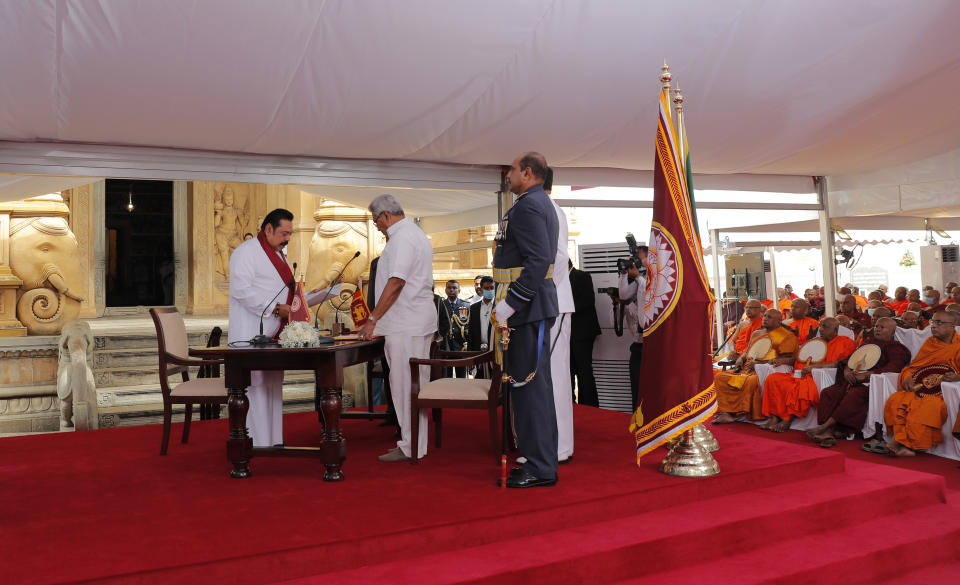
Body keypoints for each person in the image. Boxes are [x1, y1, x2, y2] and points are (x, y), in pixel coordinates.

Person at [493, 152, 559, 488]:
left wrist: (512, 303)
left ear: (528, 173)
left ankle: (541, 467)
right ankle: (540, 460)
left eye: (513, 170)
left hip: (527, 309)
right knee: (531, 389)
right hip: (528, 309)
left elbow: (538, 261)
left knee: (530, 389)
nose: (509, 175)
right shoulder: (531, 201)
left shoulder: (531, 205)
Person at [358, 194, 436, 462]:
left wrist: (373, 319)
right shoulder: (414, 234)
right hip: (413, 321)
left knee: (406, 386)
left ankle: (411, 445)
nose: (377, 227)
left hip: (407, 323)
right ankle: (415, 443)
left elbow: (396, 282)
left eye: (376, 221)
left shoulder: (402, 238)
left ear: (385, 216)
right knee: (413, 385)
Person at [227, 209, 295, 447]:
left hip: (273, 332)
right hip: (250, 332)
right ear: (268, 229)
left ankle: (273, 442)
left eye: (290, 234)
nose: (287, 239)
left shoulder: (280, 254)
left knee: (272, 386)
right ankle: (254, 444)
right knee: (254, 388)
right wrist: (277, 309)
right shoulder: (246, 252)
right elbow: (241, 290)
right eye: (283, 233)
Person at [810, 317, 910, 447]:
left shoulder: (897, 348)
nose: (877, 329)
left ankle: (826, 427)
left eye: (882, 327)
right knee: (828, 392)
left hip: (872, 384)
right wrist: (846, 371)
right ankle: (832, 430)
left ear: (892, 333)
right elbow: (849, 360)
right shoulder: (866, 343)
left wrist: (866, 375)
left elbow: (893, 368)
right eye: (876, 326)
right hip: (852, 379)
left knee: (854, 395)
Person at [881, 311, 960, 457]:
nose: (934, 326)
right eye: (932, 323)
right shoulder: (931, 343)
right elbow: (914, 367)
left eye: (939, 323)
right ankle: (906, 445)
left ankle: (903, 443)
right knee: (897, 399)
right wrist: (908, 377)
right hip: (923, 387)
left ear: (952, 326)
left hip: (942, 392)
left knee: (928, 407)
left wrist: (957, 377)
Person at [760, 317, 856, 432]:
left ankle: (788, 419)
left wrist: (814, 368)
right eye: (820, 326)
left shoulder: (846, 343)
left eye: (825, 327)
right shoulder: (814, 342)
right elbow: (800, 357)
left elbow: (839, 363)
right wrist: (783, 361)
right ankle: (775, 417)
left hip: (818, 376)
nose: (820, 329)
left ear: (835, 330)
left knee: (801, 386)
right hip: (799, 373)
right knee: (773, 379)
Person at [713, 309, 798, 424]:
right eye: (765, 316)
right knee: (721, 377)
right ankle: (726, 413)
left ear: (779, 321)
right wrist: (741, 358)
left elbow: (790, 359)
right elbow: (747, 352)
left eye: (769, 317)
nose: (765, 319)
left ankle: (740, 412)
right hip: (747, 367)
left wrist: (760, 364)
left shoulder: (786, 336)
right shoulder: (756, 333)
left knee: (751, 381)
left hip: (764, 369)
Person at [545, 167, 576, 463]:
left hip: (552, 304)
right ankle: (547, 444)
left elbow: (558, 257)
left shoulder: (551, 211)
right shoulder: (540, 209)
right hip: (545, 305)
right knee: (544, 378)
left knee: (555, 377)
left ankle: (559, 447)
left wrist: (536, 294)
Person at [616, 246, 649, 412]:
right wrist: (623, 275)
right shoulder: (640, 279)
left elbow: (645, 301)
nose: (636, 262)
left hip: (650, 344)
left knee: (649, 386)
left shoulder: (652, 279)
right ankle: (636, 416)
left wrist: (638, 278)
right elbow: (623, 295)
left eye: (639, 258)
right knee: (635, 383)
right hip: (637, 344)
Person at [367, 256, 397, 429]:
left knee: (399, 374)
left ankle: (402, 417)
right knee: (387, 370)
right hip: (381, 323)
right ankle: (391, 412)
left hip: (399, 323)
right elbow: (373, 295)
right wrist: (372, 318)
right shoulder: (377, 262)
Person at [568, 258, 601, 406]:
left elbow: (588, 301)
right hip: (566, 334)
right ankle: (570, 404)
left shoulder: (582, 276)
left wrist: (564, 309)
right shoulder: (556, 281)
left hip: (582, 332)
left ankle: (589, 406)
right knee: (567, 371)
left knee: (584, 371)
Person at [439, 280, 470, 377]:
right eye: (449, 287)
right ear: (445, 290)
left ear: (459, 290)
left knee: (461, 377)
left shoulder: (466, 305)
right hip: (446, 346)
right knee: (446, 376)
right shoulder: (441, 305)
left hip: (460, 347)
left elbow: (469, 325)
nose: (451, 290)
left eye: (454, 288)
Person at [467, 276, 495, 352]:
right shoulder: (474, 308)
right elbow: (471, 332)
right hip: (477, 349)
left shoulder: (498, 306)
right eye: (486, 288)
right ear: (481, 289)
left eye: (492, 288)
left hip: (494, 349)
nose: (490, 290)